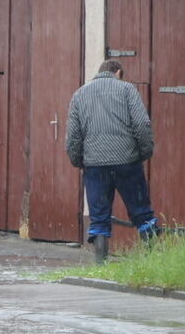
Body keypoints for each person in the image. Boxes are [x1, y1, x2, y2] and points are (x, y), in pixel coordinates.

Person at [65, 59, 158, 263]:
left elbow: (72, 136)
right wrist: (144, 152)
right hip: (128, 163)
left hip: (95, 166)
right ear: (117, 72)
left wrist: (80, 161)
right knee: (142, 212)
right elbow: (142, 125)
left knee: (99, 217)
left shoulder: (79, 94)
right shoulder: (127, 90)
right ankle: (153, 260)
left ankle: (100, 266)